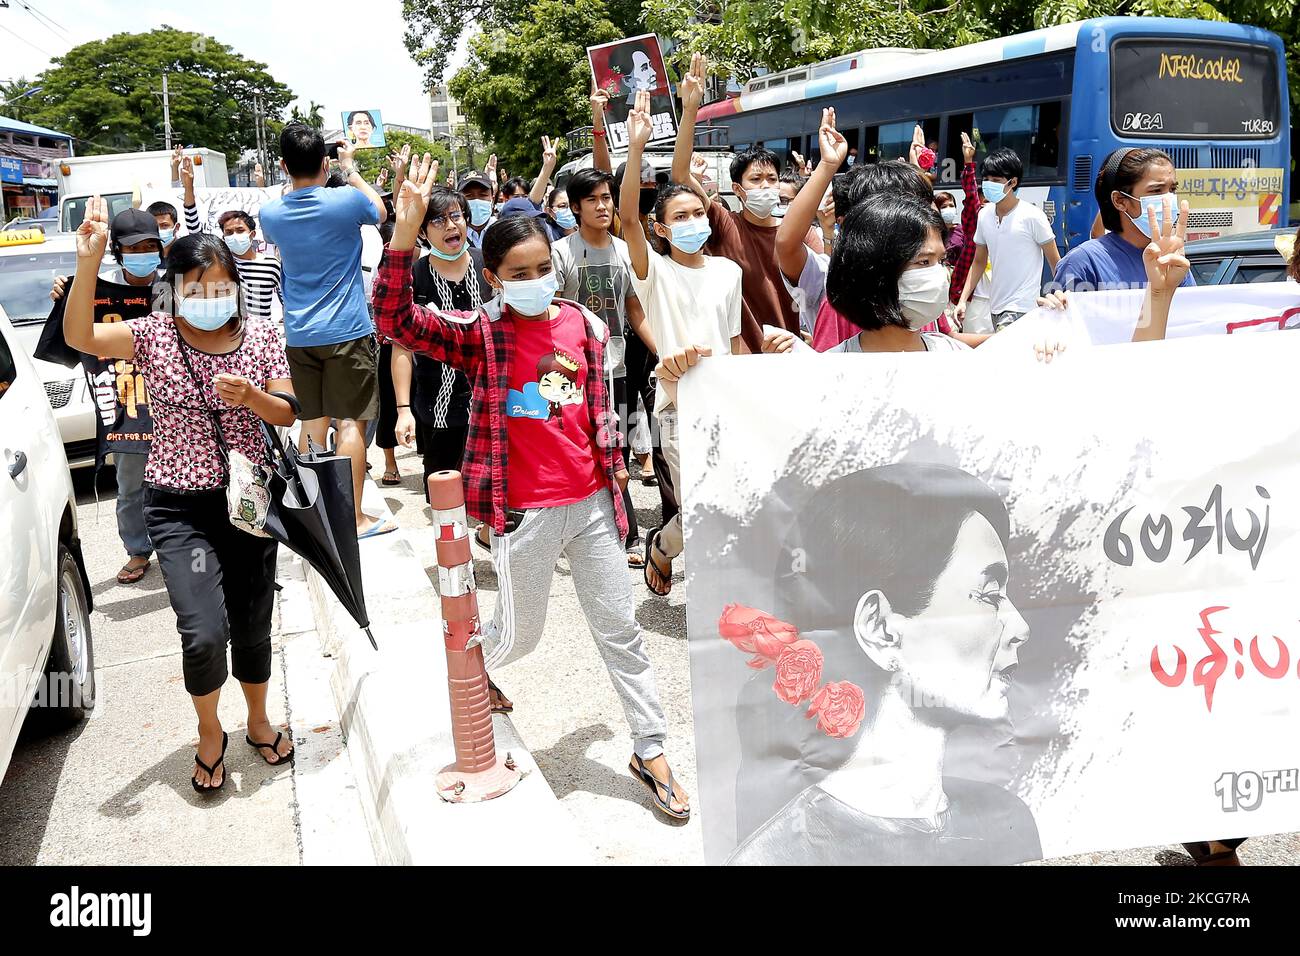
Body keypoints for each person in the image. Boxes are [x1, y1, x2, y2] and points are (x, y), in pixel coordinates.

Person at [374, 152, 690, 820]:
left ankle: (651, 748)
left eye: (544, 269)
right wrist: (404, 236)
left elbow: (595, 421)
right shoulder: (481, 334)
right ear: (493, 279)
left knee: (621, 632)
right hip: (524, 517)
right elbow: (397, 322)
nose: (535, 282)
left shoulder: (587, 325)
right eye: (519, 275)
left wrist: (618, 505)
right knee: (520, 638)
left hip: (593, 509)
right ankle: (475, 669)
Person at [64, 200, 298, 790]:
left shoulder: (262, 334)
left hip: (247, 503)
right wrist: (88, 265)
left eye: (222, 287)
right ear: (172, 291)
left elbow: (288, 408)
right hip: (178, 506)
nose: (211, 298)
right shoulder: (151, 334)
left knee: (251, 620)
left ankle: (260, 720)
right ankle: (209, 730)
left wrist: (251, 397)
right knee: (202, 628)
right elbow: (79, 335)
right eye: (197, 289)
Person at [726, 463, 1040, 865]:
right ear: (880, 628)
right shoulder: (784, 856)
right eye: (990, 595)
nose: (1020, 627)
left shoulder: (1007, 823)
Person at [621, 89, 743, 597]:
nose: (693, 223)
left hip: (729, 403)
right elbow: (627, 218)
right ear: (661, 228)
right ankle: (667, 550)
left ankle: (687, 562)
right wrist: (635, 151)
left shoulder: (728, 271)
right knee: (703, 503)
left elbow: (733, 341)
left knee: (734, 500)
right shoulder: (656, 271)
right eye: (681, 216)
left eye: (699, 213)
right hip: (677, 402)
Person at [259, 123, 391, 537]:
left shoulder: (270, 214)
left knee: (312, 423)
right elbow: (381, 212)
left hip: (299, 333)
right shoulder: (345, 201)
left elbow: (287, 202)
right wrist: (349, 167)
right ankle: (352, 519)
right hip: (347, 330)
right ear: (324, 162)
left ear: (283, 165)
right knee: (350, 423)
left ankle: (314, 517)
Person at [49, 207, 165, 584]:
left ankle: (182, 544)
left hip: (173, 402)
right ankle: (137, 549)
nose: (144, 253)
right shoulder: (92, 292)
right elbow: (70, 338)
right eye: (134, 248)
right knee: (131, 485)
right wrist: (69, 296)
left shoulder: (177, 287)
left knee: (180, 480)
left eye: (151, 245)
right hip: (126, 406)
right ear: (117, 251)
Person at [551, 167, 654, 568]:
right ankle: (571, 534)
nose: (603, 206)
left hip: (619, 370)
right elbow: (554, 313)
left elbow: (634, 309)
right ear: (575, 207)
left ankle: (625, 530)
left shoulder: (626, 250)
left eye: (607, 198)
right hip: (576, 377)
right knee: (579, 452)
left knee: (621, 449)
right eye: (592, 199)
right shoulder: (561, 253)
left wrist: (662, 351)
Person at [671, 52, 805, 351]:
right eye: (755, 180)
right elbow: (680, 172)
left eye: (771, 179)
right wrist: (690, 109)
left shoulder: (796, 233)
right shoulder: (724, 223)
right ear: (738, 189)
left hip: (794, 359)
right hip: (741, 363)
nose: (766, 186)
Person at [391, 185, 487, 496]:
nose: (450, 225)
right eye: (438, 220)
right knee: (444, 495)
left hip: (489, 400)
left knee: (489, 489)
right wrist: (403, 408)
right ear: (421, 231)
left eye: (455, 216)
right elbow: (402, 347)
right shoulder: (415, 274)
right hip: (437, 404)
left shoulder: (489, 264)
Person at [1054, 147, 1195, 294]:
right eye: (1156, 190)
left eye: (1172, 189)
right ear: (1120, 201)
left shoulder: (1171, 258)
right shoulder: (1084, 262)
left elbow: (1191, 312)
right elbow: (1062, 314)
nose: (1168, 200)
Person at [955, 148, 1060, 331]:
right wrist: (963, 300)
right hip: (995, 307)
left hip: (1022, 307)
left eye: (996, 180)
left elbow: (1056, 262)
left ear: (1013, 182)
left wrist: (1060, 297)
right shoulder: (984, 215)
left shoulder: (1033, 216)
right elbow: (978, 261)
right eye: (986, 179)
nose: (989, 184)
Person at [178, 158, 284, 325]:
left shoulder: (272, 264)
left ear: (252, 234)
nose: (234, 235)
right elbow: (194, 228)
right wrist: (188, 187)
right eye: (229, 232)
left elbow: (286, 300)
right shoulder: (220, 263)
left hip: (259, 337)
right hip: (227, 335)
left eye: (240, 230)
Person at [458, 167, 497, 248]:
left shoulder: (503, 231)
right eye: (469, 196)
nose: (476, 201)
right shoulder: (453, 235)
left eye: (483, 195)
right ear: (459, 201)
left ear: (492, 199)